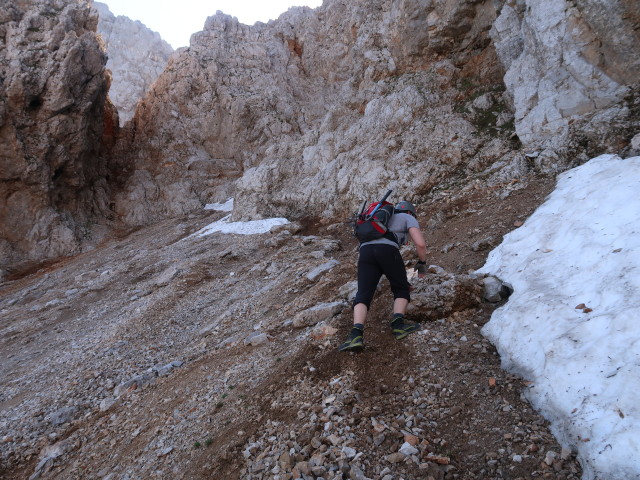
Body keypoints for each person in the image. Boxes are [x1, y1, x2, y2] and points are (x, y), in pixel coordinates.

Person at [339, 200, 428, 351]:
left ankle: (355, 335)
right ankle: (399, 325)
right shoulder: (407, 217)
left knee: (363, 294)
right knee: (401, 288)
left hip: (366, 253)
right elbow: (420, 244)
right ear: (409, 212)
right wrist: (422, 263)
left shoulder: (376, 219)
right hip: (387, 251)